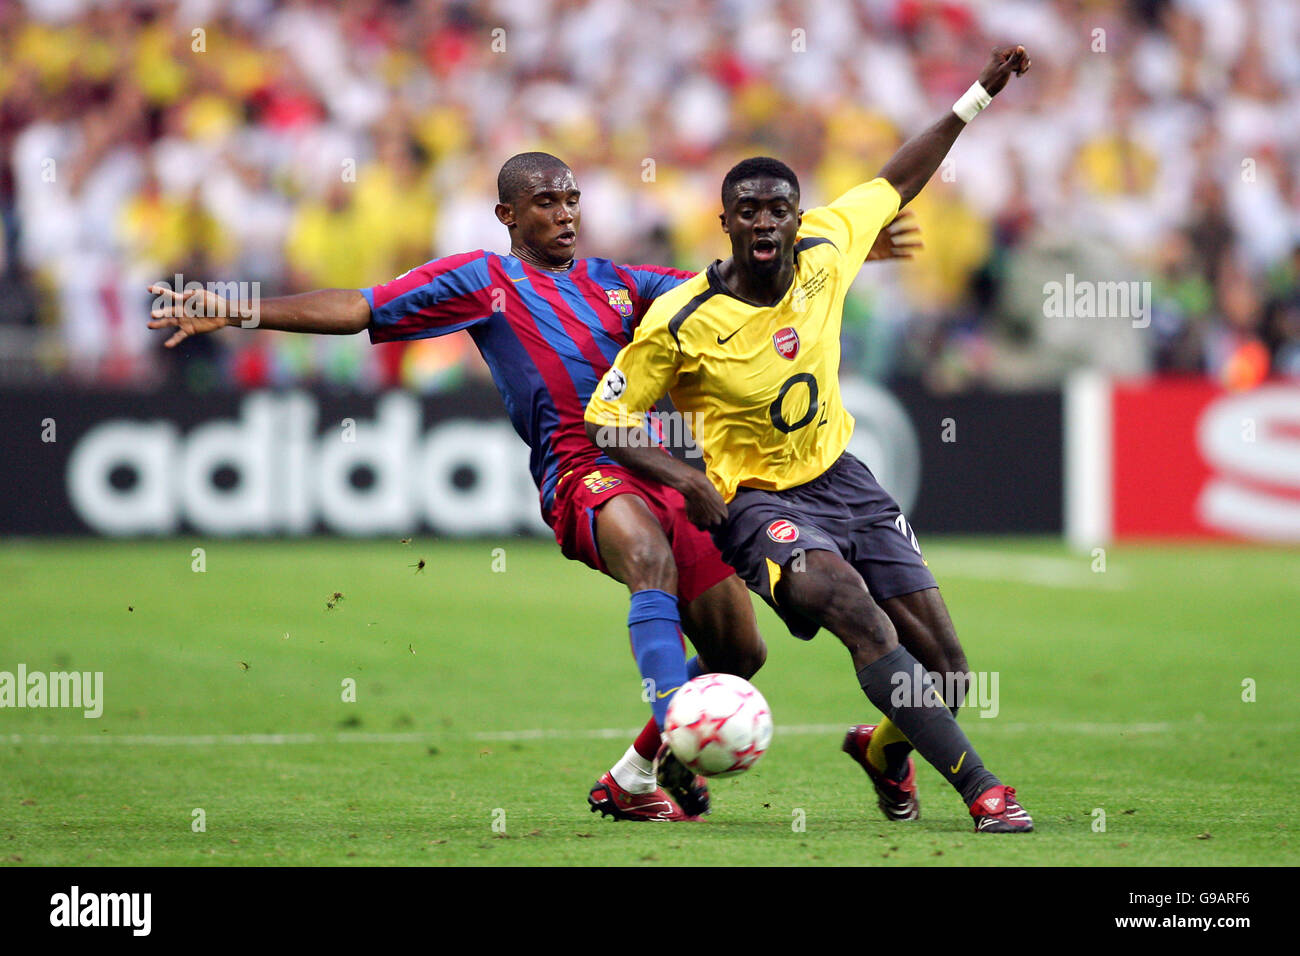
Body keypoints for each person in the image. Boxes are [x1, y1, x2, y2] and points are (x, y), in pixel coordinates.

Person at [146, 151, 916, 822]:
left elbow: (728, 287)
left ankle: (635, 775)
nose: (565, 213)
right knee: (649, 563)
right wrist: (235, 309)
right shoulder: (482, 281)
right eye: (546, 201)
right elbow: (357, 309)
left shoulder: (623, 283)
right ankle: (673, 722)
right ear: (507, 214)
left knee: (740, 653)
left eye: (573, 198)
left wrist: (821, 253)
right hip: (580, 469)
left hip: (653, 462)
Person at [585, 47, 1035, 833]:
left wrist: (977, 95)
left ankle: (883, 752)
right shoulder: (681, 321)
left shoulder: (829, 243)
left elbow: (899, 179)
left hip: (846, 483)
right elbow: (605, 418)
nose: (766, 222)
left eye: (778, 209)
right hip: (758, 505)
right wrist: (685, 480)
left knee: (949, 673)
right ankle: (985, 790)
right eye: (749, 211)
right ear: (724, 223)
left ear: (798, 216)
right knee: (855, 611)